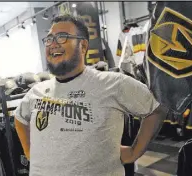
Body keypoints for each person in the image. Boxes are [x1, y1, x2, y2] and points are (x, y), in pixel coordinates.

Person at [14, 15, 168, 175]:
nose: (53, 44)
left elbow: (155, 109)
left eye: (61, 37)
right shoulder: (36, 91)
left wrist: (134, 152)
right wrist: (30, 152)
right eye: (49, 38)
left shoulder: (113, 83)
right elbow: (19, 118)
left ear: (83, 46)